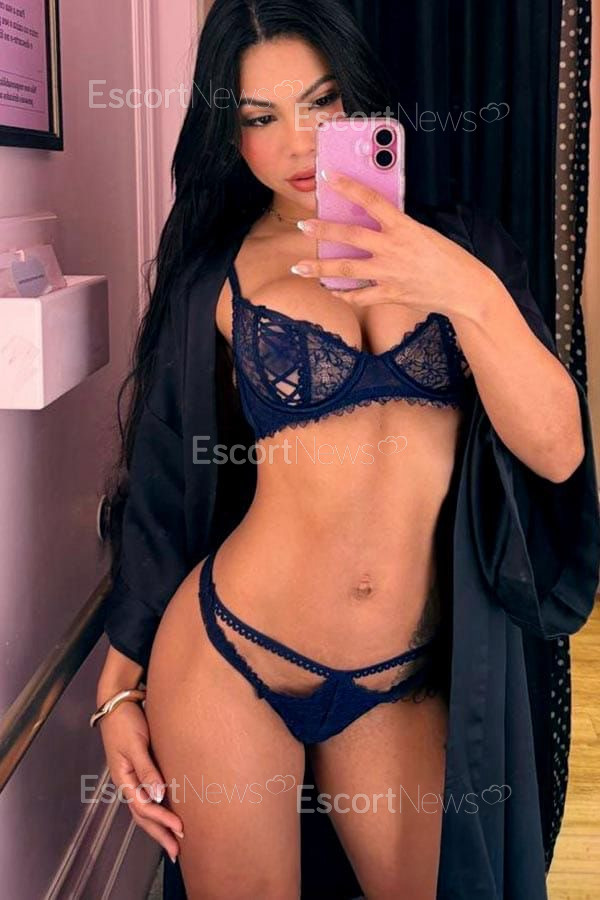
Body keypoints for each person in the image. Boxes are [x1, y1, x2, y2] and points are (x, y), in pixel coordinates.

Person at [92, 1, 600, 898]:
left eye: (321, 102)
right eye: (260, 117)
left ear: (361, 102)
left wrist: (460, 287)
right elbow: (165, 487)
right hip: (230, 658)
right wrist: (116, 691)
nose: (297, 142)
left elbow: (558, 452)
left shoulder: (464, 248)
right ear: (229, 132)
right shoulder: (219, 274)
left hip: (399, 677)